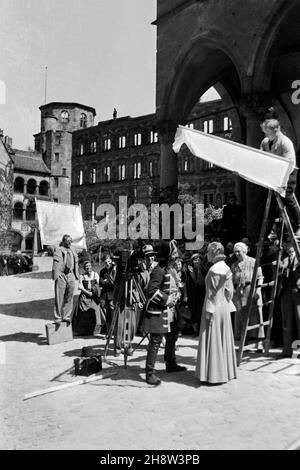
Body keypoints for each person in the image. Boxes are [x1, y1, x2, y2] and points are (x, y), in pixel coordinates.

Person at [142, 240, 187, 386]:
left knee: (172, 336)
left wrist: (177, 294)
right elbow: (152, 291)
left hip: (171, 311)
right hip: (159, 311)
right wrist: (167, 300)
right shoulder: (159, 269)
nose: (175, 254)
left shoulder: (169, 268)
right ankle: (150, 374)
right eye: (172, 251)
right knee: (155, 342)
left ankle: (170, 363)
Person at [195, 242, 237, 384]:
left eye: (208, 252)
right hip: (224, 306)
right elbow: (230, 291)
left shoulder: (214, 269)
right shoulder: (226, 267)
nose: (206, 254)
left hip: (214, 307)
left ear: (213, 252)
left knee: (212, 336)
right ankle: (225, 371)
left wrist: (209, 310)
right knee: (222, 337)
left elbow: (212, 294)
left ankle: (213, 374)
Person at [260, 118, 300, 239]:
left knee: (288, 198)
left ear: (276, 130)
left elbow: (289, 162)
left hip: (288, 173)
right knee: (271, 201)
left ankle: (299, 224)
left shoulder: (285, 142)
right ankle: (271, 229)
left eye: (267, 131)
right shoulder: (266, 142)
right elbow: (261, 156)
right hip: (274, 175)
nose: (266, 134)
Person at [231, 242, 264, 351]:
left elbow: (260, 277)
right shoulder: (234, 265)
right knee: (241, 316)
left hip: (251, 289)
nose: (236, 253)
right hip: (239, 292)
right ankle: (243, 342)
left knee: (255, 316)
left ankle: (259, 343)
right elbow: (231, 280)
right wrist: (234, 290)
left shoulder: (253, 262)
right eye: (235, 251)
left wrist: (258, 289)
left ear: (244, 251)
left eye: (238, 251)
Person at [52, 234, 79, 326]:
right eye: (68, 241)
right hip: (61, 274)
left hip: (71, 274)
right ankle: (58, 317)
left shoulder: (73, 250)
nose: (70, 242)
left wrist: (76, 275)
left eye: (71, 241)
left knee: (69, 297)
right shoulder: (58, 249)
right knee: (59, 297)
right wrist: (56, 274)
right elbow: (56, 262)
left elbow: (76, 262)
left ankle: (67, 316)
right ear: (64, 241)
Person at [278, 243, 300, 357]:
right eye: (286, 244)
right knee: (286, 322)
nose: (288, 246)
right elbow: (278, 271)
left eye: (290, 243)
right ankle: (287, 351)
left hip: (298, 292)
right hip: (285, 292)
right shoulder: (283, 257)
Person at [72, 260, 103, 336]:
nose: (88, 268)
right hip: (84, 296)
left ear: (91, 266)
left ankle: (95, 330)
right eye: (86, 267)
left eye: (89, 266)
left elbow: (99, 285)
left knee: (95, 312)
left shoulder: (95, 275)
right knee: (83, 313)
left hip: (94, 296)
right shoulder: (82, 276)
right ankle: (84, 331)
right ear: (84, 268)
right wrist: (87, 292)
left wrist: (95, 292)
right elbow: (80, 287)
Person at [186, 253, 206, 336]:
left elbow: (203, 282)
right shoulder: (189, 270)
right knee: (193, 311)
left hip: (201, 294)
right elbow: (186, 283)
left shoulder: (204, 270)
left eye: (198, 260)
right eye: (195, 260)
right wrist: (185, 295)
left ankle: (200, 330)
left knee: (200, 312)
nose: (197, 261)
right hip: (192, 294)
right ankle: (194, 330)